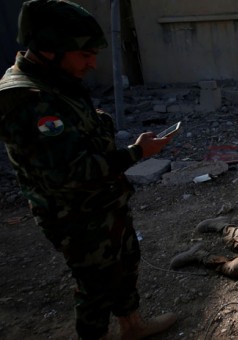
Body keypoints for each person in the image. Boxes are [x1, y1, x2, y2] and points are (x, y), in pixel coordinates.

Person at [0, 1, 178, 338]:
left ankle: (132, 325)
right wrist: (138, 152)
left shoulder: (55, 80)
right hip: (76, 217)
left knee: (125, 264)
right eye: (84, 55)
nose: (92, 63)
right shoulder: (27, 98)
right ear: (49, 49)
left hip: (104, 202)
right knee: (95, 288)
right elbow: (73, 171)